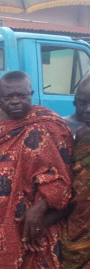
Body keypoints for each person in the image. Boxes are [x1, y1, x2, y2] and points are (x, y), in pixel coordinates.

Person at [0, 71, 73, 268]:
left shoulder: (47, 124)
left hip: (38, 220)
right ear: (0, 98)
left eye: (22, 96)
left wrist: (41, 208)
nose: (15, 101)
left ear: (31, 93)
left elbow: (62, 178)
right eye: (8, 97)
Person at [62, 76, 90, 268]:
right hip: (71, 214)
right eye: (82, 103)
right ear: (74, 102)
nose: (87, 109)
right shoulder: (62, 127)